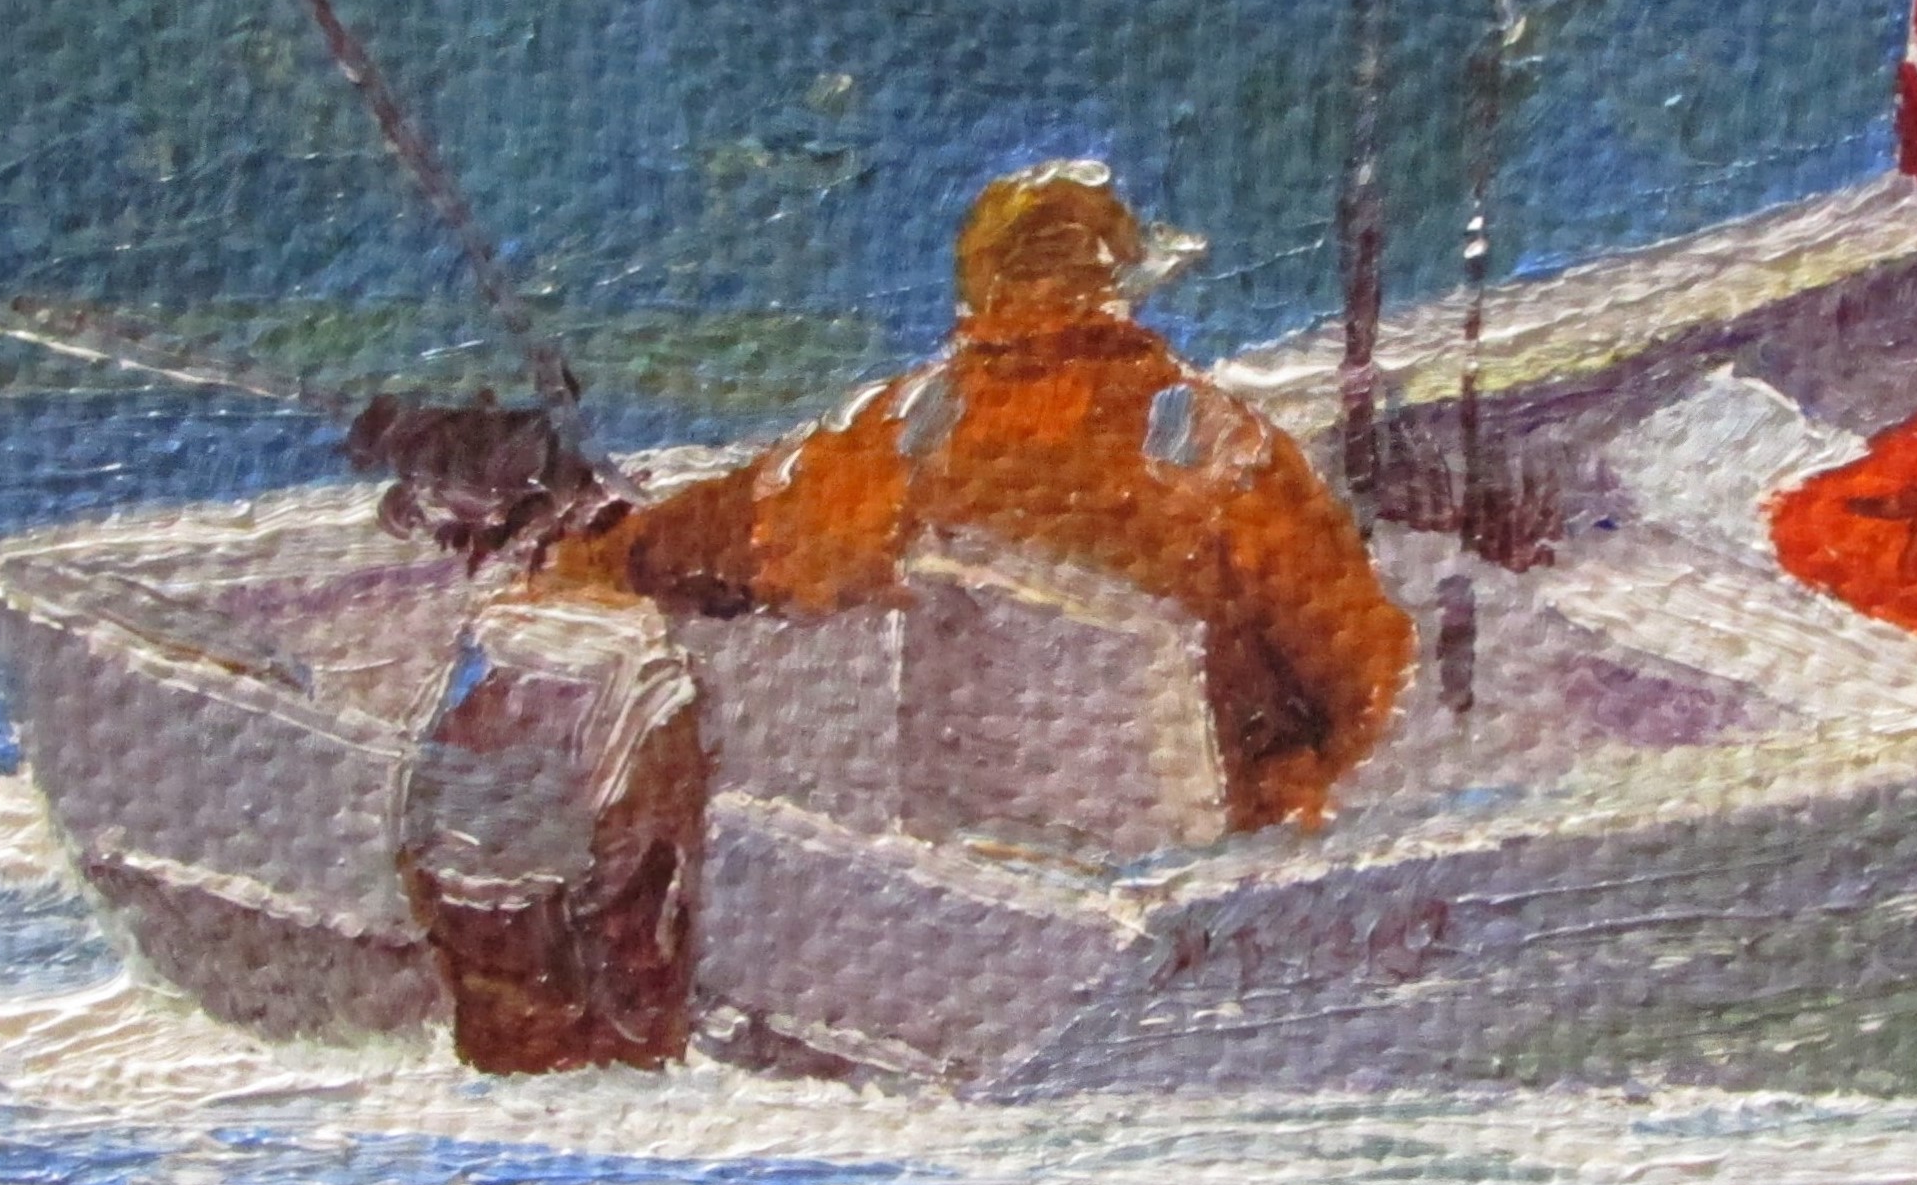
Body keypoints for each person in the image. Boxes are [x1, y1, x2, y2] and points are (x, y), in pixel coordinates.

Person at [538, 161, 1416, 832]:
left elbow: (755, 533)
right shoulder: (1219, 446)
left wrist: (605, 554)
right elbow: (1359, 665)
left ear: (981, 288)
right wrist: (1290, 774)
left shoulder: (907, 429)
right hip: (1204, 840)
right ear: (1122, 290)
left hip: (975, 838)